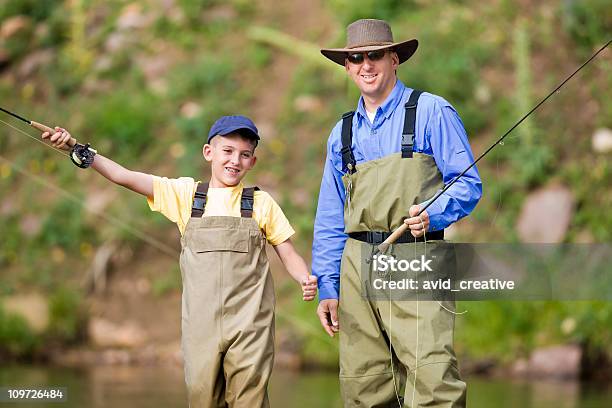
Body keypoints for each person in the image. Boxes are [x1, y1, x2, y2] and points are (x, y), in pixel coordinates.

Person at [41, 115, 317, 408]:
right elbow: (123, 175)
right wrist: (75, 147)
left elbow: (286, 249)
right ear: (208, 153)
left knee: (250, 400)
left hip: (251, 325)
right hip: (201, 327)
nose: (235, 160)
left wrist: (303, 277)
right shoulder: (186, 195)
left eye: (244, 155)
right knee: (202, 399)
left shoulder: (260, 203)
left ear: (253, 162)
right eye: (228, 151)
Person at [313, 19, 482, 407]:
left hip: (416, 258)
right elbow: (329, 216)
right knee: (364, 383)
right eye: (356, 58)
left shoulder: (431, 111)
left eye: (374, 56)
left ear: (394, 60)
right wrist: (328, 284)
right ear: (347, 66)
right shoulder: (340, 134)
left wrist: (433, 214)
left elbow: (468, 184)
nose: (365, 65)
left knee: (432, 377)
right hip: (356, 266)